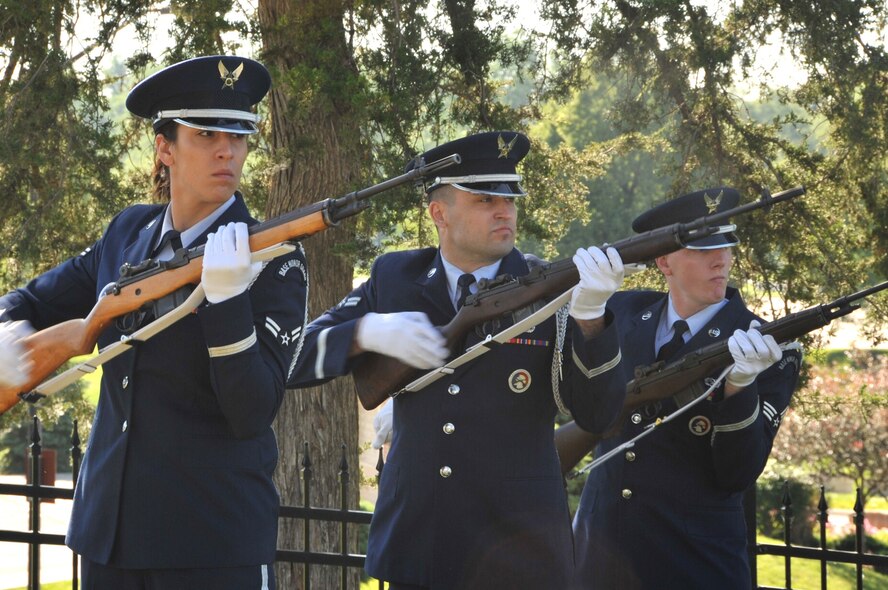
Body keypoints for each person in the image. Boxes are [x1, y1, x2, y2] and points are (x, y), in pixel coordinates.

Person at [0, 55, 308, 589]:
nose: (226, 150)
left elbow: (252, 410)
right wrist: (11, 337)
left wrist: (229, 301)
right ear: (164, 147)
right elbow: (30, 300)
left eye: (239, 135)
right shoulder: (127, 231)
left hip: (211, 541)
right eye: (207, 132)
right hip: (110, 535)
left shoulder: (275, 259)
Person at [288, 130, 627, 589]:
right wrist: (365, 332)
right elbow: (292, 358)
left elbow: (598, 414)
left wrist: (591, 320)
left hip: (517, 553)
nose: (504, 209)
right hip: (420, 543)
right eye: (485, 199)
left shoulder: (549, 290)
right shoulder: (396, 278)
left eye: (510, 198)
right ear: (439, 213)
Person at [560, 188, 802, 589]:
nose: (720, 259)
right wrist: (587, 312)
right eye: (703, 249)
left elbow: (737, 473)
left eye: (726, 246)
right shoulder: (619, 313)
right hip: (598, 557)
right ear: (663, 261)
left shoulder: (768, 346)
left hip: (693, 566)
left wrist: (740, 387)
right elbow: (579, 402)